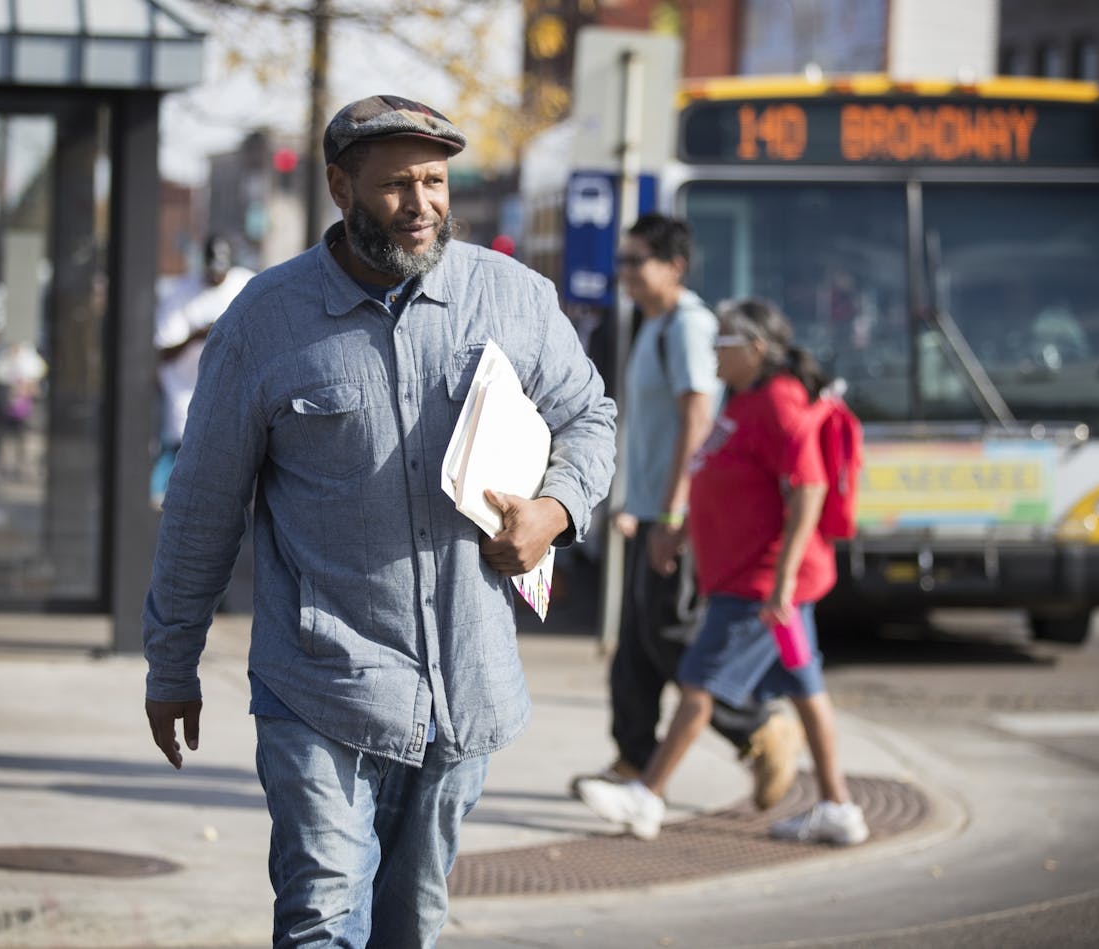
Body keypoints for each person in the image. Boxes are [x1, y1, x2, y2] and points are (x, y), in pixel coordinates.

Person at [142, 94, 616, 948]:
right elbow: (204, 505)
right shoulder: (265, 322)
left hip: (466, 689)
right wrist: (171, 660)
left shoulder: (510, 298)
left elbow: (591, 418)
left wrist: (555, 508)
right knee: (322, 917)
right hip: (321, 686)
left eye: (434, 181)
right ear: (339, 187)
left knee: (411, 924)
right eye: (397, 184)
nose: (422, 203)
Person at [576, 298, 868, 846]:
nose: (713, 350)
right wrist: (682, 529)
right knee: (807, 689)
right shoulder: (746, 398)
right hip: (760, 582)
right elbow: (717, 472)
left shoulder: (780, 404)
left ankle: (647, 797)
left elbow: (809, 488)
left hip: (761, 586)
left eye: (724, 342)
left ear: (756, 350)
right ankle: (838, 807)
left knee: (698, 683)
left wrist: (780, 582)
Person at [571, 214, 801, 811]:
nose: (623, 272)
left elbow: (698, 419)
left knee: (671, 638)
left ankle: (757, 727)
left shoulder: (692, 328)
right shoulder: (654, 325)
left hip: (677, 516)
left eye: (636, 260)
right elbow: (646, 429)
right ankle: (632, 757)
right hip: (647, 510)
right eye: (621, 260)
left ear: (674, 266)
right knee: (635, 647)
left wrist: (672, 515)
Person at [150, 234, 254, 504]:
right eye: (212, 270)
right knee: (178, 463)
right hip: (185, 393)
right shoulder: (181, 293)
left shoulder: (246, 284)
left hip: (233, 393)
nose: (216, 276)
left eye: (222, 270)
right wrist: (196, 336)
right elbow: (161, 352)